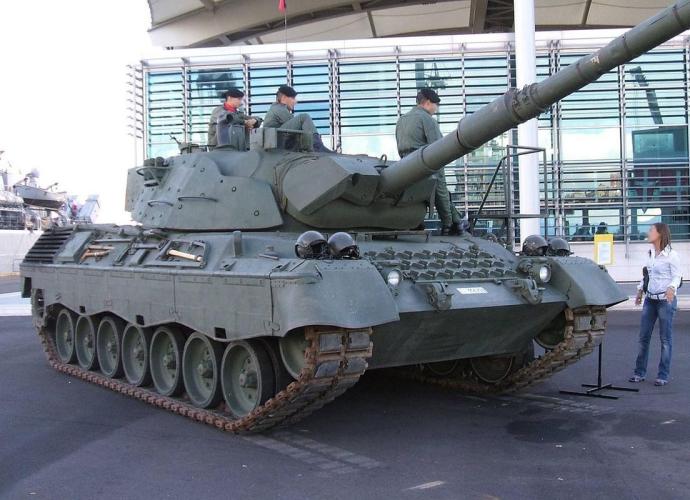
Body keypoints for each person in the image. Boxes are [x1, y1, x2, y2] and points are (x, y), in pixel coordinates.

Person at [395, 88, 462, 236]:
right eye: (435, 104)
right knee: (441, 191)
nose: (436, 108)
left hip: (405, 167)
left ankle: (416, 222)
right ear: (427, 103)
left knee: (415, 195)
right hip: (426, 163)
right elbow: (439, 148)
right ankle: (449, 225)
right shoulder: (427, 119)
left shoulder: (402, 120)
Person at [629, 222, 682, 386]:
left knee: (665, 339)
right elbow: (647, 275)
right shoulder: (651, 253)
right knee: (643, 338)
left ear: (660, 233)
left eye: (651, 230)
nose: (648, 232)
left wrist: (672, 288)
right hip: (650, 300)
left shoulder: (672, 255)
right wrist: (640, 290)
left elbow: (677, 276)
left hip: (665, 302)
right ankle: (639, 373)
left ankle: (662, 375)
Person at [263, 85, 331, 152]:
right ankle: (317, 147)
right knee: (303, 117)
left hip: (276, 140)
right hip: (276, 141)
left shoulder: (277, 108)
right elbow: (298, 126)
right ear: (284, 98)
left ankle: (315, 146)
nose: (295, 101)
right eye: (293, 98)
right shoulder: (278, 108)